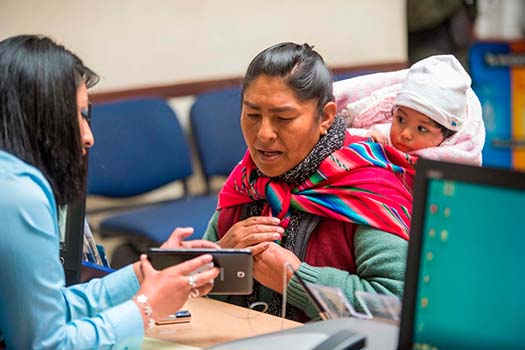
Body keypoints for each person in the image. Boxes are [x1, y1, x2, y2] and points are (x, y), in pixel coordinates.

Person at [0, 34, 221, 348]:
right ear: (42, 117)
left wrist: (146, 273)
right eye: (79, 116)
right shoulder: (20, 195)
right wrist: (146, 308)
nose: (88, 137)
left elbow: (48, 310)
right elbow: (47, 344)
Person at [203, 42, 416, 322]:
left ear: (325, 117)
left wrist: (297, 279)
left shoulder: (365, 185)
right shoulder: (246, 182)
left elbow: (397, 309)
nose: (264, 133)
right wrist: (221, 260)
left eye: (284, 117)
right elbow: (187, 293)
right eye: (253, 115)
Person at [339, 55, 485, 166]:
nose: (405, 134)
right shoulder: (379, 135)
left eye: (421, 128)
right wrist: (362, 137)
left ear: (447, 136)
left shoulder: (449, 168)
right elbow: (343, 136)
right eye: (400, 119)